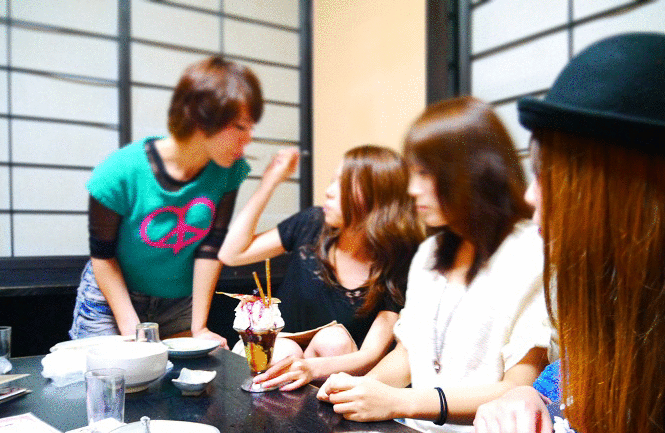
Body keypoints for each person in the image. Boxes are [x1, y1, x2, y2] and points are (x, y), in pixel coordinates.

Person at [467, 33, 665, 433]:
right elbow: (563, 381)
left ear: (614, 186)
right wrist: (523, 401)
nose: (529, 196)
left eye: (546, 174)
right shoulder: (620, 282)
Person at [317, 97, 552, 433]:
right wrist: (360, 391)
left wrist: (401, 402)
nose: (412, 189)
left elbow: (518, 387)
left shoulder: (530, 253)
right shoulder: (430, 252)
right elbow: (408, 355)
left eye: (425, 173)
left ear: (472, 171)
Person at [70, 56, 263, 345]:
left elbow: (210, 248)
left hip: (179, 302)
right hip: (112, 301)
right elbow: (103, 256)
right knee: (115, 372)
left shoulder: (228, 171)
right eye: (240, 127)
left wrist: (199, 328)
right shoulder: (118, 172)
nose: (249, 138)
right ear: (202, 118)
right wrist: (133, 330)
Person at [218, 145, 424, 391]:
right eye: (333, 181)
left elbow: (372, 353)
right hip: (274, 348)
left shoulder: (398, 258)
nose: (329, 192)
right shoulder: (312, 223)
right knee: (285, 350)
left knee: (333, 340)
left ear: (377, 200)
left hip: (333, 368)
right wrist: (270, 182)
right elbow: (231, 254)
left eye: (343, 185)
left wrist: (309, 368)